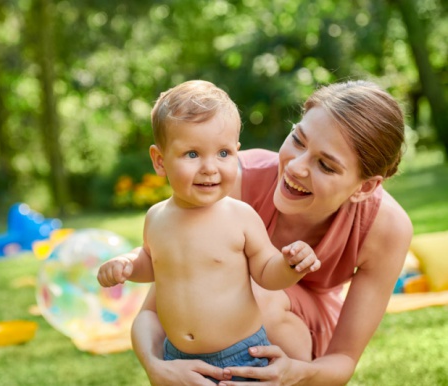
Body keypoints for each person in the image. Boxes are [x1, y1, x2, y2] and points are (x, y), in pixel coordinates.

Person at [127, 80, 413, 385]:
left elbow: (342, 360)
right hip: (219, 339)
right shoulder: (226, 184)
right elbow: (157, 307)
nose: (296, 167)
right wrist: (156, 366)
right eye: (298, 140)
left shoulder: (386, 227)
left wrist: (297, 373)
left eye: (326, 166)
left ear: (365, 187)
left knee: (261, 292)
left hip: (305, 332)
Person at [97, 80, 321, 382]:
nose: (210, 167)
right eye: (192, 154)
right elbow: (152, 263)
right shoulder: (157, 217)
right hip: (176, 355)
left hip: (241, 356)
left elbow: (268, 272)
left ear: (237, 153)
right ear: (160, 161)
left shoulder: (239, 216)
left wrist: (290, 265)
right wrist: (127, 263)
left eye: (223, 153)